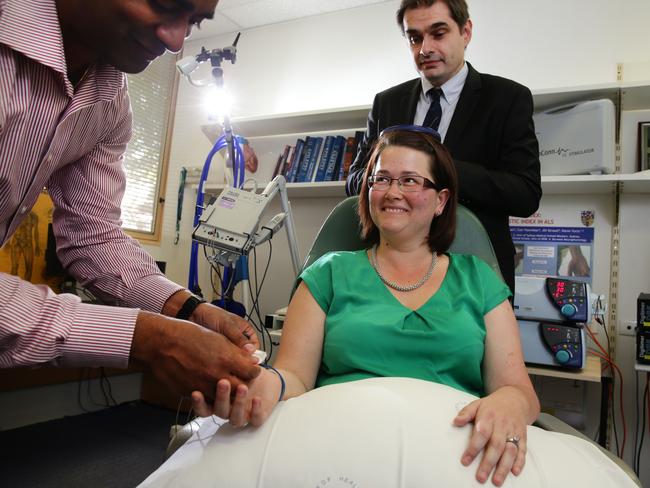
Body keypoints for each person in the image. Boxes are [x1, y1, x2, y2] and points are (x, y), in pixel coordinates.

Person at [193, 126, 541, 487]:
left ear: (440, 201)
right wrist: (264, 385)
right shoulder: (329, 272)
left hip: (451, 455)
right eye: (382, 179)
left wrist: (510, 404)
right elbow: (294, 375)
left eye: (410, 181)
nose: (392, 192)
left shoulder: (479, 279)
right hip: (339, 448)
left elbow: (518, 391)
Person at [0, 0, 263, 399]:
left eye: (192, 22)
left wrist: (191, 312)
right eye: (164, 4)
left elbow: (94, 235)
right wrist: (150, 337)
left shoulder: (109, 104)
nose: (176, 41)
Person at [345, 0, 542, 294]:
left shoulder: (508, 98)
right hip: (389, 271)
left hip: (475, 272)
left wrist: (437, 170)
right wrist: (394, 178)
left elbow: (524, 195)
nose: (425, 48)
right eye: (415, 38)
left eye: (438, 33)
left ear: (465, 32)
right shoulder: (387, 102)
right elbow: (354, 180)